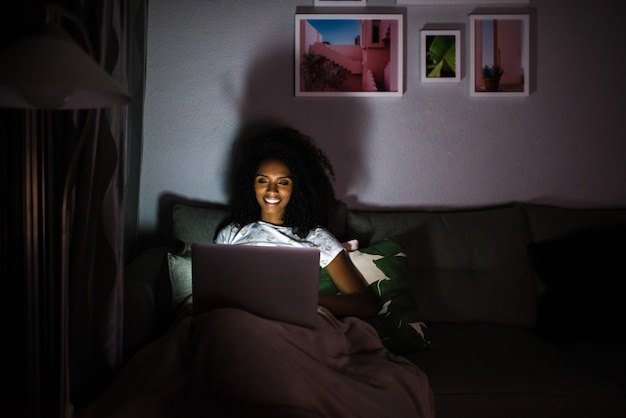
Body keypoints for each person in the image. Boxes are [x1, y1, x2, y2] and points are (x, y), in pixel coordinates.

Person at [215, 125, 378, 319]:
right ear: (251, 185)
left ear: (297, 188)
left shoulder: (317, 237)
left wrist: (306, 300)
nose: (272, 190)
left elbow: (366, 305)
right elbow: (215, 295)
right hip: (241, 322)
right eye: (263, 180)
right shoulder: (231, 233)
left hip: (295, 323)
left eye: (283, 182)